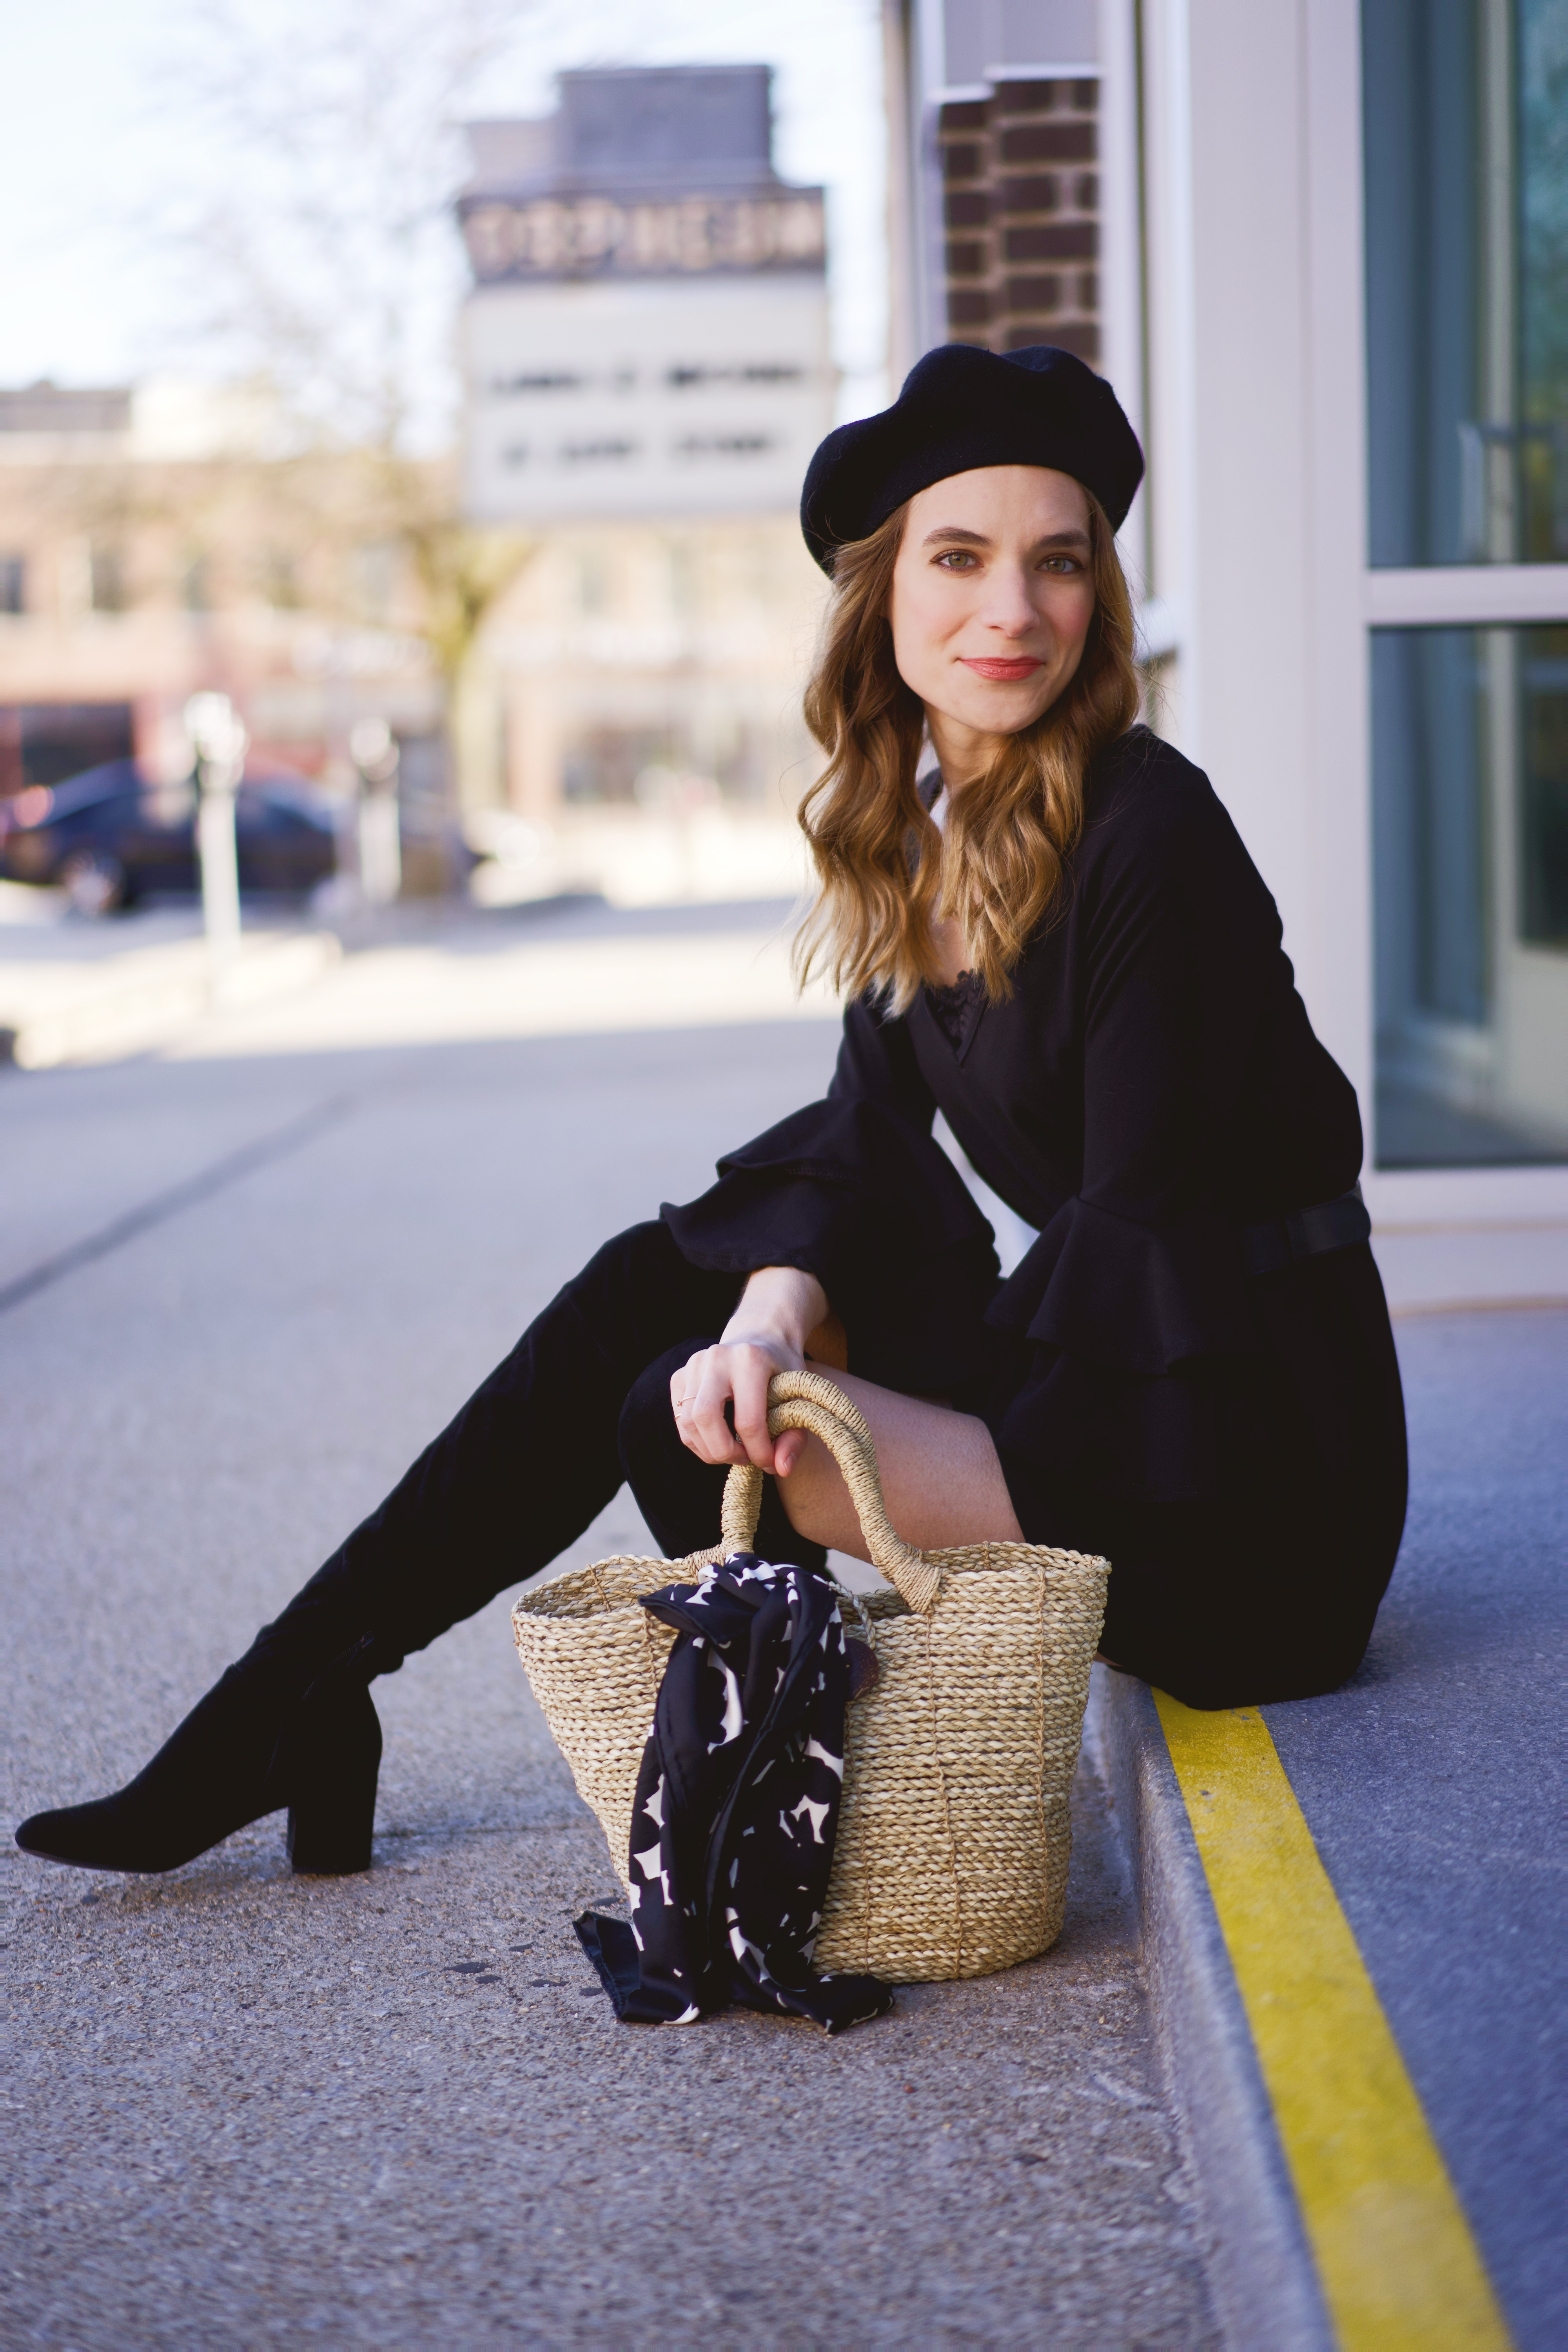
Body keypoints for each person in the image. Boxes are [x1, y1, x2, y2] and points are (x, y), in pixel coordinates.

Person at [16, 345, 1407, 1880]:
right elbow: (861, 1142)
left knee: (670, 1405)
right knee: (675, 1305)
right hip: (1124, 1378)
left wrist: (800, 1375)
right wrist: (768, 1324)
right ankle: (295, 1701)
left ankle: (802, 1804)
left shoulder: (1150, 827)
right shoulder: (920, 837)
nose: (1011, 609)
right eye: (959, 558)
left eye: (1055, 563)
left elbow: (1146, 1227)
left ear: (1097, 602)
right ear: (883, 597)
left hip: (1245, 1471)